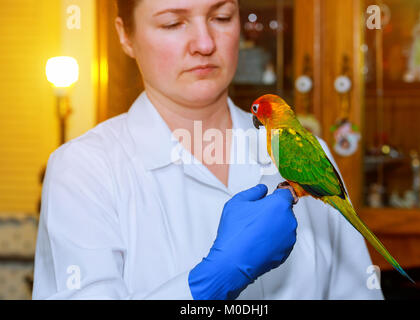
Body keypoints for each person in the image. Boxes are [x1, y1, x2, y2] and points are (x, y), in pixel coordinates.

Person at [32, 0, 383, 300]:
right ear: (126, 35)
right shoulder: (82, 170)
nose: (204, 43)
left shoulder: (309, 151)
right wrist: (207, 286)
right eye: (173, 22)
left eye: (222, 17)